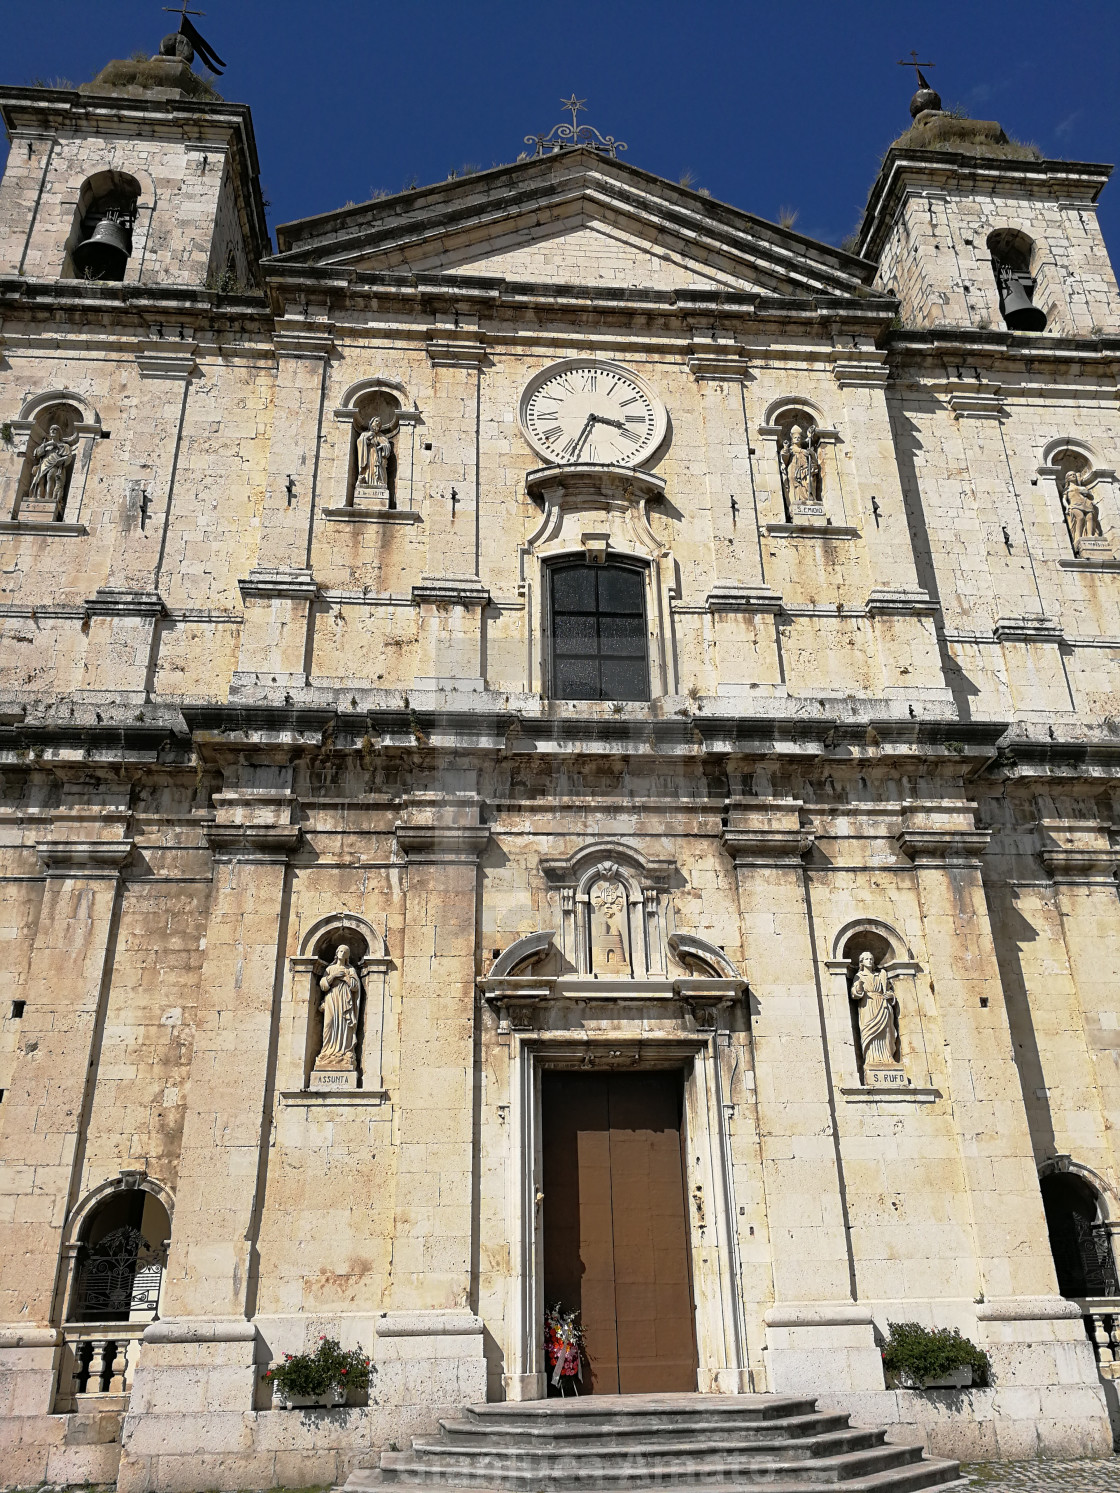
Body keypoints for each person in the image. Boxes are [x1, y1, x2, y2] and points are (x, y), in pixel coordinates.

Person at [849, 950, 899, 1070]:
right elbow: (855, 994)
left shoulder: (881, 974)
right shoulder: (859, 976)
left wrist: (891, 996)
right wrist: (859, 987)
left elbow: (888, 989)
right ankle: (872, 1059)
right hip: (868, 1005)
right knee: (870, 1033)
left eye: (871, 959)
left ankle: (888, 1058)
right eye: (867, 959)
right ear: (861, 962)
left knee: (886, 1033)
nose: (870, 961)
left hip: (882, 1005)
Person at [317, 944, 361, 1069]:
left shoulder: (350, 970)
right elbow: (323, 985)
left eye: (345, 951)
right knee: (329, 1024)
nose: (342, 953)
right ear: (336, 953)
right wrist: (333, 976)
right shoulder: (330, 969)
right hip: (331, 999)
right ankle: (327, 1052)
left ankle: (344, 1052)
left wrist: (346, 978)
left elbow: (355, 987)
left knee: (344, 1025)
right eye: (340, 951)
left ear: (347, 955)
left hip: (345, 1000)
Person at [27, 424, 79, 516]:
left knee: (51, 478)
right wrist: (47, 444)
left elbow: (68, 457)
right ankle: (38, 499)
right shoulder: (46, 445)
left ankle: (49, 498)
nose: (53, 431)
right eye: (51, 430)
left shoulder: (64, 446)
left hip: (55, 464)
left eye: (55, 430)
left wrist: (61, 460)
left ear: (59, 433)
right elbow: (36, 454)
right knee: (40, 480)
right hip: (44, 464)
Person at [1063, 469, 1103, 553]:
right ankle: (1078, 537)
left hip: (1086, 504)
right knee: (1080, 518)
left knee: (1090, 517)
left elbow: (1091, 497)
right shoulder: (1067, 489)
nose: (1073, 476)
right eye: (1070, 475)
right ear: (1067, 479)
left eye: (1074, 474)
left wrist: (1087, 493)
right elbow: (1064, 500)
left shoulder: (1082, 487)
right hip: (1075, 505)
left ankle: (1090, 535)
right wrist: (1067, 507)